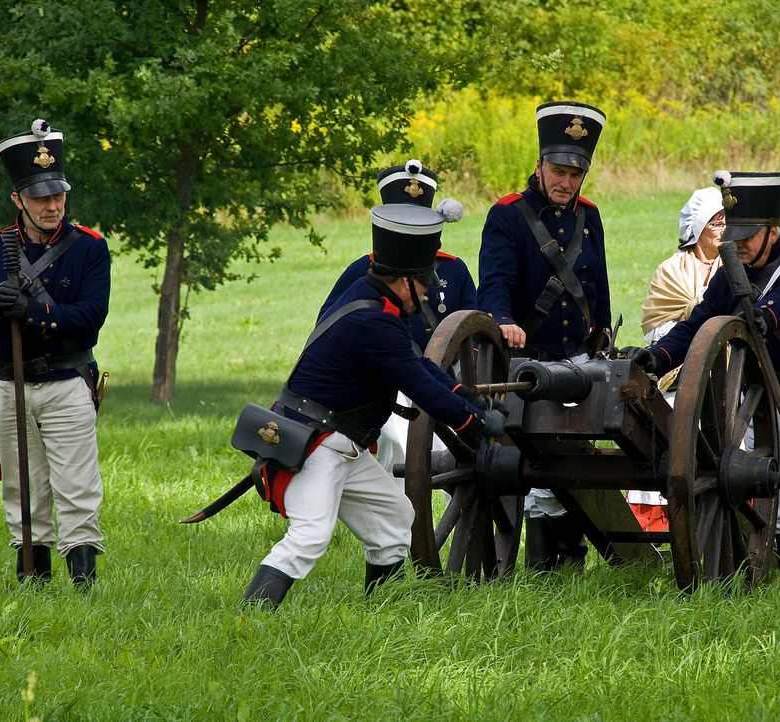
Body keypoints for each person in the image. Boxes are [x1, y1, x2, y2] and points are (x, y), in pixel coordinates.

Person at [242, 203, 504, 609]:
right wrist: (475, 423)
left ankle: (380, 612)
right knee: (309, 536)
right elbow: (418, 384)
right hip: (318, 444)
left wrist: (465, 399)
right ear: (403, 281)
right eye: (422, 283)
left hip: (344, 443)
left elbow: (418, 364)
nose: (427, 291)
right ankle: (249, 619)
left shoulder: (371, 298)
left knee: (395, 518)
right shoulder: (374, 321)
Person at [622, 171, 780, 578]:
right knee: (766, 489)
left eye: (748, 234)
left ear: (773, 229)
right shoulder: (729, 273)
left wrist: (765, 315)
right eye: (734, 232)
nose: (738, 242)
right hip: (757, 401)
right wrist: (657, 358)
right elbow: (697, 325)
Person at [0, 119, 110, 587]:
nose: (52, 205)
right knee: (22, 488)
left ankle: (84, 585)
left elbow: (90, 318)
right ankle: (33, 582)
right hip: (9, 383)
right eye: (41, 197)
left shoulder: (89, 247)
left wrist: (36, 311)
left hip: (66, 381)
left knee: (77, 487)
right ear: (18, 200)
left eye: (58, 195)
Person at [477, 101, 610, 571]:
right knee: (533, 463)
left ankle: (570, 560)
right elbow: (494, 280)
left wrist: (603, 340)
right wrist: (501, 319)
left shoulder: (589, 216)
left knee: (574, 457)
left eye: (575, 174)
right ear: (539, 166)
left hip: (576, 359)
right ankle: (539, 562)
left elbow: (597, 286)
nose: (566, 183)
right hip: (526, 359)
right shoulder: (508, 215)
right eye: (558, 171)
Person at [318, 160, 476, 474]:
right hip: (388, 379)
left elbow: (472, 327)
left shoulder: (454, 268)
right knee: (399, 452)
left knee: (456, 454)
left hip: (444, 377)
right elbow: (328, 325)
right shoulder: (361, 271)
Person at [628, 187, 724, 531]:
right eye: (716, 221)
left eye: (726, 220)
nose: (723, 227)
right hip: (678, 376)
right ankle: (664, 528)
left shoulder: (734, 269)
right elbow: (657, 327)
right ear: (698, 227)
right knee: (671, 445)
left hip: (727, 379)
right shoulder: (670, 271)